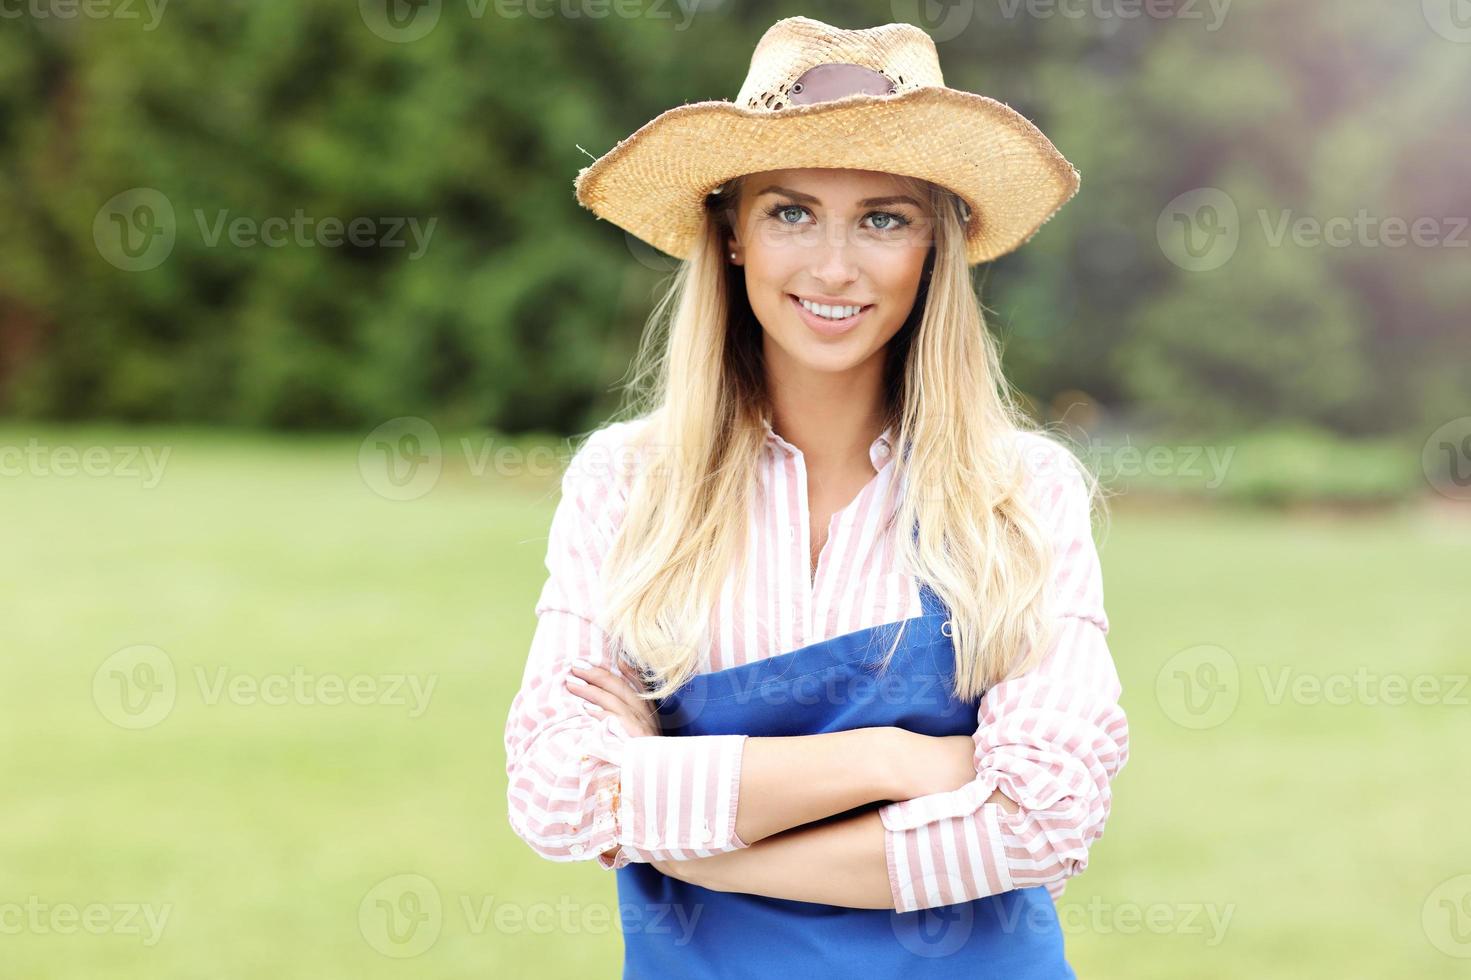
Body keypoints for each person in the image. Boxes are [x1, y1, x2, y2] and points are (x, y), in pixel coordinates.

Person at [504, 15, 1129, 978]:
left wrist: (682, 834)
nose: (834, 266)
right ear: (732, 235)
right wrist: (893, 762)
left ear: (937, 247)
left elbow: (1047, 814)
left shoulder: (1020, 492)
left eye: (884, 217)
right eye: (791, 211)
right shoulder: (626, 485)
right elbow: (560, 796)